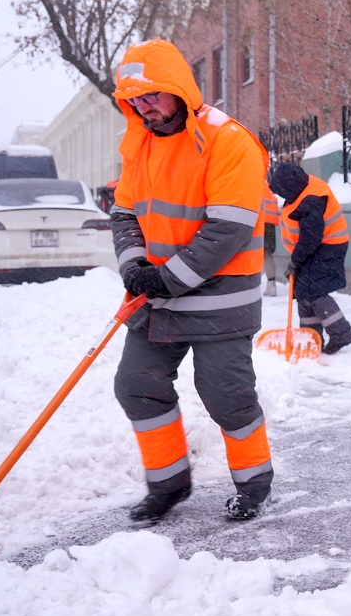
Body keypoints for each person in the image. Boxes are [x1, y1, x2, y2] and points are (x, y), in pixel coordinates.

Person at [109, 38, 275, 524]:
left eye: (152, 96)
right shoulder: (137, 143)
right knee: (136, 386)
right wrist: (135, 268)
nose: (144, 108)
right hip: (157, 296)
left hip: (220, 299)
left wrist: (165, 279)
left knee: (227, 394)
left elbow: (227, 228)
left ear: (179, 88)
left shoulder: (228, 140)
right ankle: (168, 484)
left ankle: (253, 485)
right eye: (134, 100)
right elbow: (124, 213)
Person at [267, 161, 351, 354]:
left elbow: (310, 237)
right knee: (302, 292)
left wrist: (295, 261)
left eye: (282, 192)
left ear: (290, 187)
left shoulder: (312, 200)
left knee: (314, 291)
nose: (281, 196)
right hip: (314, 248)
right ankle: (310, 338)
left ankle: (341, 332)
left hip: (328, 246)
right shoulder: (300, 191)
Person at [262, 181, 281, 296]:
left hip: (260, 222)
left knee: (262, 254)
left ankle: (270, 286)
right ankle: (271, 285)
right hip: (270, 222)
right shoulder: (264, 185)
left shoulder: (251, 182)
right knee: (267, 253)